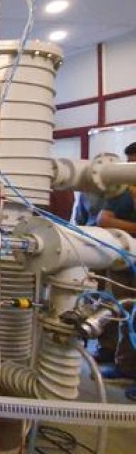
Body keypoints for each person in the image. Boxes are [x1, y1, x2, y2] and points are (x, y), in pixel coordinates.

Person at [95, 141, 136, 401]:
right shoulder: (123, 193)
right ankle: (126, 366)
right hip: (125, 257)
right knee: (125, 311)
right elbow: (103, 219)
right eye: (130, 163)